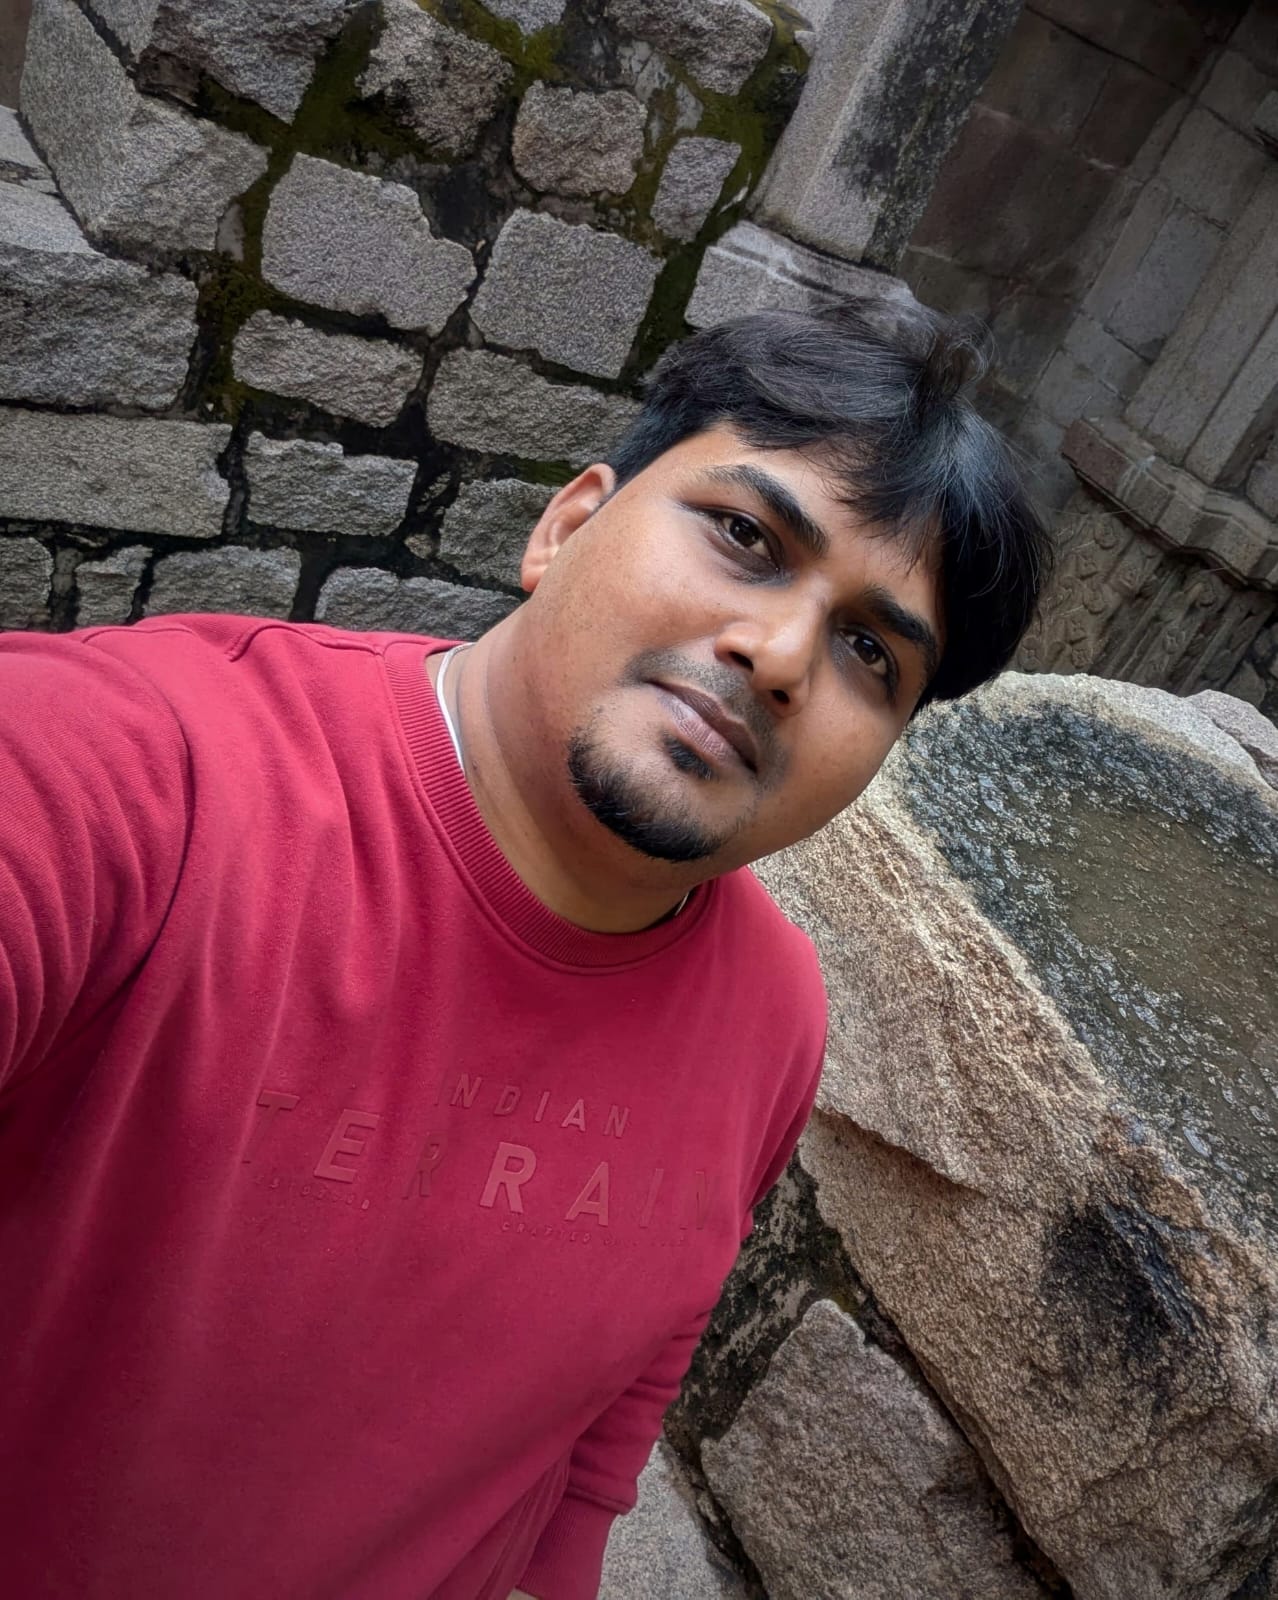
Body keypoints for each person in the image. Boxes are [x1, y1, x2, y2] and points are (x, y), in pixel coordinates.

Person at [0, 298, 1046, 1600]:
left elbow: (617, 1392)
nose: (780, 657)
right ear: (566, 524)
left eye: (868, 652)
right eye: (745, 536)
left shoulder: (776, 1017)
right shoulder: (139, 776)